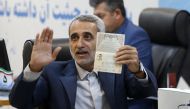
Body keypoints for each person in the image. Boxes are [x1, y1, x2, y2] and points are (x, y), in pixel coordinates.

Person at [9, 14, 157, 109]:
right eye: (74, 38)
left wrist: (138, 71)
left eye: (87, 37)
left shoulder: (116, 68)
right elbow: (19, 102)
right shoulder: (52, 72)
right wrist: (34, 68)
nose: (79, 44)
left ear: (101, 40)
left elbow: (145, 92)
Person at [89, 0, 157, 108]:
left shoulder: (136, 36)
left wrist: (137, 70)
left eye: (100, 16)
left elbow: (141, 87)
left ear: (117, 14)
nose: (96, 23)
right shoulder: (102, 35)